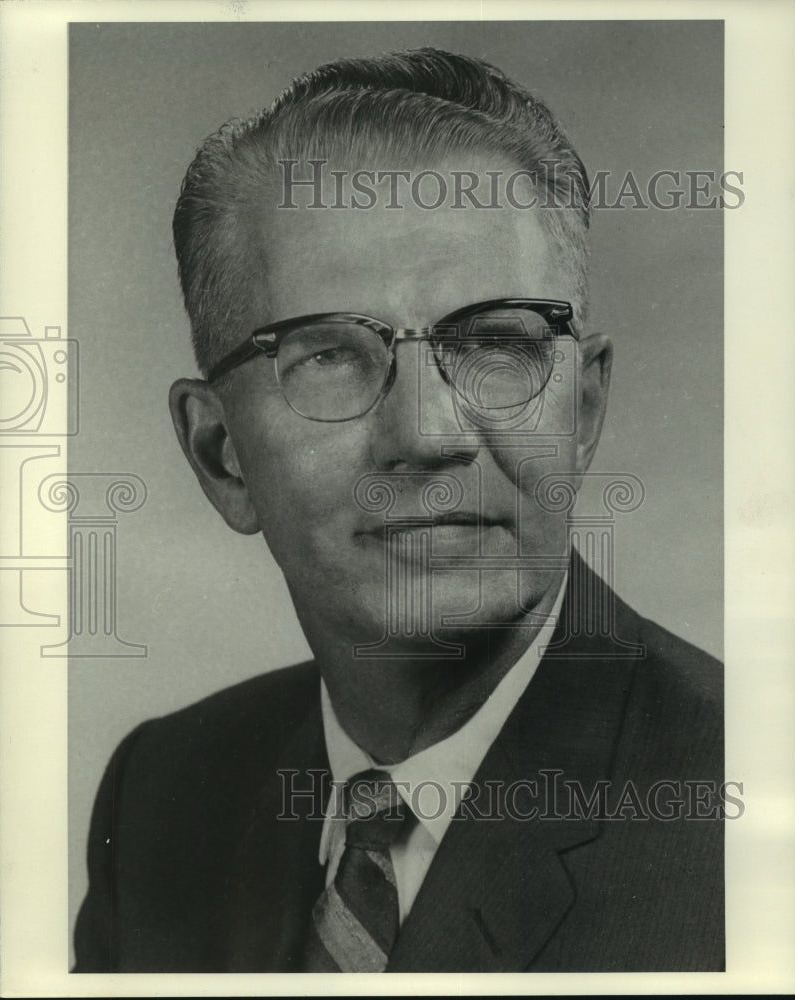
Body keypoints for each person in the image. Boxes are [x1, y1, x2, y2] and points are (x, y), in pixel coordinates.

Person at [73, 47, 724, 973]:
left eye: (496, 343)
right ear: (221, 457)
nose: (426, 433)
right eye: (329, 355)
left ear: (580, 411)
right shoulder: (162, 798)